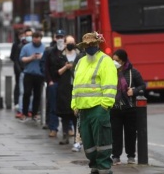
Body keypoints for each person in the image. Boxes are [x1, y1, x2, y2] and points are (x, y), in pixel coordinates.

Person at [71, 32, 118, 174]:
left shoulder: (105, 61)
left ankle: (104, 167)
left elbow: (110, 85)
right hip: (83, 109)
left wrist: (105, 105)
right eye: (87, 45)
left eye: (92, 44)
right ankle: (95, 166)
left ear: (97, 44)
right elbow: (76, 86)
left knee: (102, 141)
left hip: (98, 108)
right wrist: (74, 105)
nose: (89, 47)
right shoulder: (81, 62)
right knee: (88, 143)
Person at [110, 49, 146, 165]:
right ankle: (116, 156)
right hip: (115, 109)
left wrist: (134, 91)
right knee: (115, 134)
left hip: (130, 109)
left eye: (117, 60)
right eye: (113, 60)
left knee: (130, 133)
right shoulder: (110, 72)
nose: (114, 62)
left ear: (123, 61)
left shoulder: (133, 72)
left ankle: (131, 156)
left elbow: (143, 86)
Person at [56, 35, 81, 145]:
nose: (71, 44)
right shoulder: (61, 56)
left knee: (76, 113)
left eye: (72, 42)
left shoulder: (80, 56)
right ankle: (65, 134)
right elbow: (57, 72)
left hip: (76, 88)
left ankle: (78, 137)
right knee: (65, 113)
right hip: (64, 88)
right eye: (68, 42)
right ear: (65, 44)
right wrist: (66, 67)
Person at [19, 31, 45, 121]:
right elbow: (22, 59)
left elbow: (48, 60)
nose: (36, 39)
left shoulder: (44, 48)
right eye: (34, 37)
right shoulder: (26, 47)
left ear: (41, 38)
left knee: (37, 95)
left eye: (37, 37)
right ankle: (24, 113)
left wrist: (42, 57)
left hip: (39, 74)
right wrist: (31, 58)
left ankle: (34, 113)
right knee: (26, 93)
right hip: (28, 74)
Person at [43, 29, 65, 137]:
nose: (60, 39)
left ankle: (68, 127)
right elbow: (46, 67)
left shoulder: (68, 51)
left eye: (62, 37)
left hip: (65, 84)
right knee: (53, 105)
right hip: (53, 82)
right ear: (55, 38)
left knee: (67, 106)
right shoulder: (49, 51)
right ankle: (53, 128)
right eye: (58, 37)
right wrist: (49, 81)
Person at [14, 28, 33, 119]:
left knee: (31, 93)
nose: (29, 37)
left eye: (31, 35)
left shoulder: (35, 46)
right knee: (23, 91)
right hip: (24, 72)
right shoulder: (21, 46)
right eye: (28, 35)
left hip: (33, 72)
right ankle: (21, 110)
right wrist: (20, 71)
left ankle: (29, 110)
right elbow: (17, 60)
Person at [10, 29, 24, 108]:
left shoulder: (25, 44)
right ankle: (16, 101)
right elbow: (12, 56)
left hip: (24, 67)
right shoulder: (16, 45)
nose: (22, 37)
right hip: (17, 67)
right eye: (20, 35)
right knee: (18, 84)